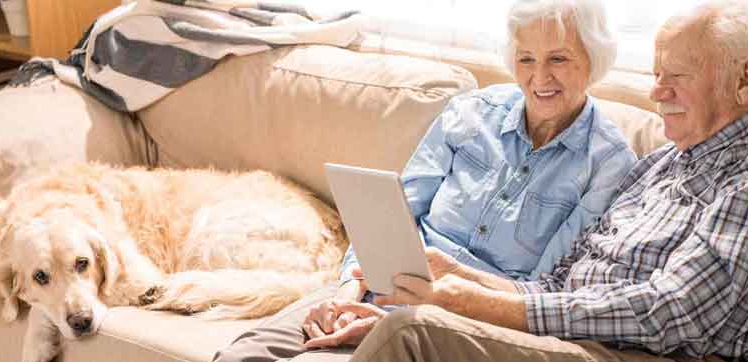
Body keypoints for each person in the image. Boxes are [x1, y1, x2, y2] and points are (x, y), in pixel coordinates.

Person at [285, 1, 748, 362]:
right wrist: (460, 277)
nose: (655, 95)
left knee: (406, 333)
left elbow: (676, 312)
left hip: (631, 351)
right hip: (569, 331)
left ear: (744, 80)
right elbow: (560, 282)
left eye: (674, 77)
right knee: (303, 331)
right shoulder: (664, 164)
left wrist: (477, 304)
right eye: (655, 76)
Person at [213, 0, 636, 360]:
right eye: (527, 58)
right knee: (244, 353)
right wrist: (345, 294)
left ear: (593, 60)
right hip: (377, 284)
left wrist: (408, 315)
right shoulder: (470, 114)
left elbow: (543, 294)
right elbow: (388, 217)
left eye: (558, 59)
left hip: (462, 318)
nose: (539, 77)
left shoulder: (609, 164)